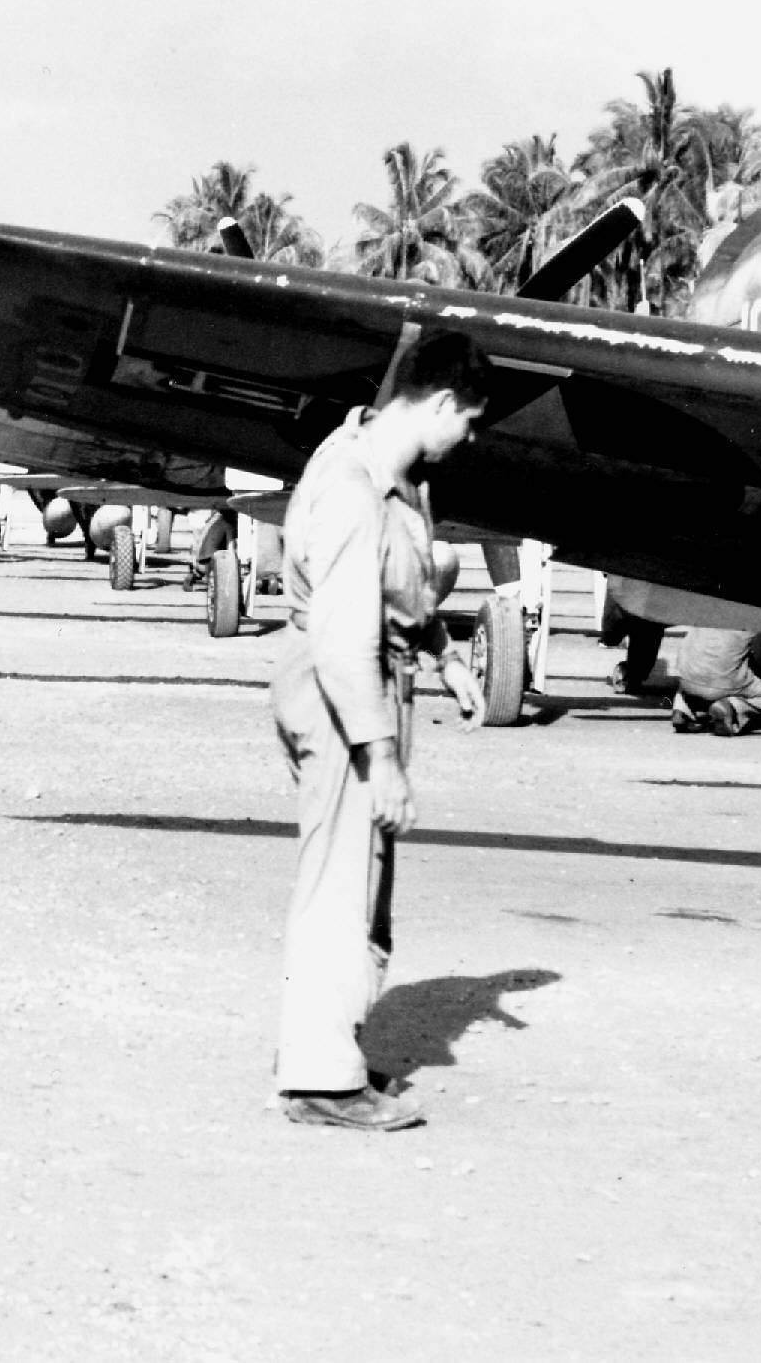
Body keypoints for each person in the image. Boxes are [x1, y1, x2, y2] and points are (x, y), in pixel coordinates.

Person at [272, 331, 490, 1131]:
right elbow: (341, 638)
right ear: (436, 404)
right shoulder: (353, 486)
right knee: (338, 880)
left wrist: (443, 656)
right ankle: (321, 1082)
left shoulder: (393, 476)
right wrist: (382, 756)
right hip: (343, 691)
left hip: (371, 673)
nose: (468, 439)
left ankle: (331, 1053)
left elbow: (393, 590)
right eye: (466, 420)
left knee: (359, 879)